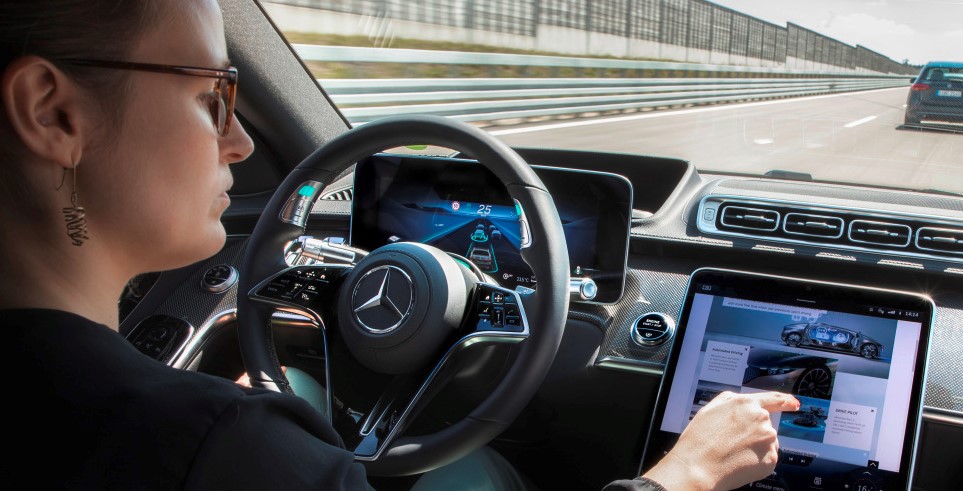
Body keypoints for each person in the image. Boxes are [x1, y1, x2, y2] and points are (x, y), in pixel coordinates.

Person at [0, 0, 799, 489]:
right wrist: (682, 475)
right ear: (52, 113)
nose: (240, 141)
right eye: (213, 96)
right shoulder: (222, 447)